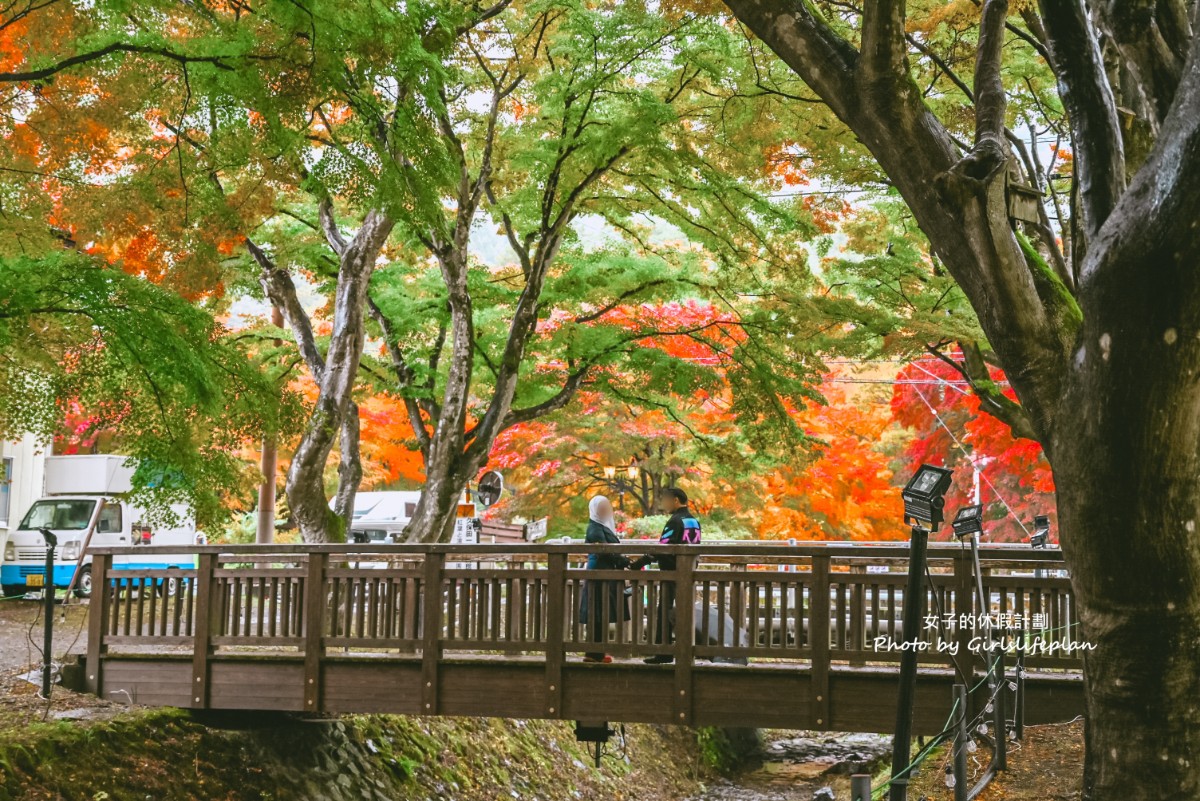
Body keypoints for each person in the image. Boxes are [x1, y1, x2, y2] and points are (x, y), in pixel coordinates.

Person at [630, 487, 702, 664]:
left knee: (664, 610)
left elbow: (662, 548)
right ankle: (686, 651)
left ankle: (664, 652)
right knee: (684, 612)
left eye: (666, 500)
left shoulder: (675, 521)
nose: (664, 504)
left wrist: (638, 563)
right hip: (689, 573)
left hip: (671, 573)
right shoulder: (693, 521)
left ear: (675, 500)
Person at [579, 495, 631, 663]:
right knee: (596, 613)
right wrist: (625, 561)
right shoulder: (594, 529)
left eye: (607, 507)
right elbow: (605, 551)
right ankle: (593, 653)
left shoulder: (602, 527)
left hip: (604, 575)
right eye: (601, 508)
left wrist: (623, 560)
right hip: (597, 576)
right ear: (594, 510)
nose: (605, 511)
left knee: (601, 613)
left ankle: (597, 652)